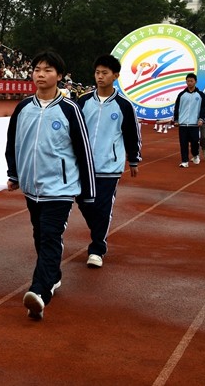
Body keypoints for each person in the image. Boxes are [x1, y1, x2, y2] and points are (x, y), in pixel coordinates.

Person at [5, 50, 95, 320]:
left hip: (60, 189)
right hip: (32, 187)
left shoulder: (70, 110)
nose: (41, 75)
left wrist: (88, 192)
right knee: (39, 234)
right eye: (37, 70)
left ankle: (40, 292)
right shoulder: (23, 108)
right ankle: (53, 276)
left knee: (50, 236)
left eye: (47, 70)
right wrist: (14, 174)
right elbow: (13, 142)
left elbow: (84, 151)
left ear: (60, 75)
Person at [77, 55, 141, 269]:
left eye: (105, 73)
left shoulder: (124, 105)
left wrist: (134, 159)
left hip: (109, 166)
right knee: (84, 202)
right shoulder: (83, 102)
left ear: (115, 76)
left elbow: (132, 134)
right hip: (83, 166)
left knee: (103, 207)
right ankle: (98, 230)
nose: (100, 76)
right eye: (97, 72)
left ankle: (97, 249)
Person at [173, 73, 205, 168]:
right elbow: (177, 108)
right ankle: (184, 161)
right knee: (183, 143)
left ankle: (195, 155)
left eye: (191, 81)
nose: (189, 83)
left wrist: (201, 119)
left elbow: (204, 108)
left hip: (194, 124)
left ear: (195, 82)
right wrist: (176, 119)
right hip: (183, 124)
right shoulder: (181, 94)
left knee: (195, 142)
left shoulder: (200, 95)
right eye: (188, 81)